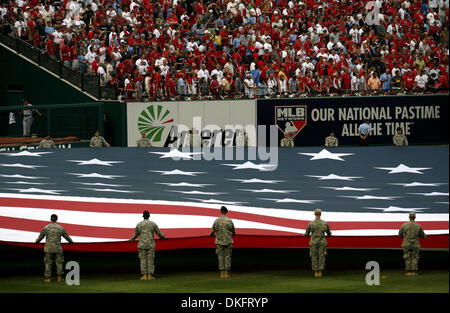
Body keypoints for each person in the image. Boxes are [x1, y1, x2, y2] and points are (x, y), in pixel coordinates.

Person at [35, 214, 74, 283]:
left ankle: (47, 278)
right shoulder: (61, 228)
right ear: (57, 219)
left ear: (51, 219)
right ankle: (59, 278)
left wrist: (37, 242)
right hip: (58, 249)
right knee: (59, 263)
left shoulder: (46, 227)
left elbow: (41, 236)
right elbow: (67, 237)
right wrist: (71, 242)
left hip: (48, 249)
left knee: (48, 263)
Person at [129, 210, 166, 280]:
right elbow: (159, 233)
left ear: (143, 216)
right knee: (150, 260)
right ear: (149, 216)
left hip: (142, 245)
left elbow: (135, 235)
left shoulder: (139, 224)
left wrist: (131, 240)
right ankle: (150, 275)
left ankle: (144, 275)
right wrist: (164, 238)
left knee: (143, 260)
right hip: (150, 244)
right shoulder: (152, 224)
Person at [210, 206, 236, 278]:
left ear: (220, 211)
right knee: (227, 257)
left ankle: (221, 274)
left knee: (220, 257)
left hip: (219, 241)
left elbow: (212, 231)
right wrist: (234, 234)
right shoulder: (229, 220)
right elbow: (233, 231)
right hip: (228, 241)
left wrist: (211, 235)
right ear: (226, 212)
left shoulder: (217, 220)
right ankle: (226, 273)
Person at [304, 209, 331, 277]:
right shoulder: (325, 223)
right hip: (322, 242)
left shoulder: (311, 223)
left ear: (315, 214)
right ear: (320, 214)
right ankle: (320, 271)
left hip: (313, 242)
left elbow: (306, 234)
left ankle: (316, 272)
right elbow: (329, 234)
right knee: (321, 256)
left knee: (314, 256)